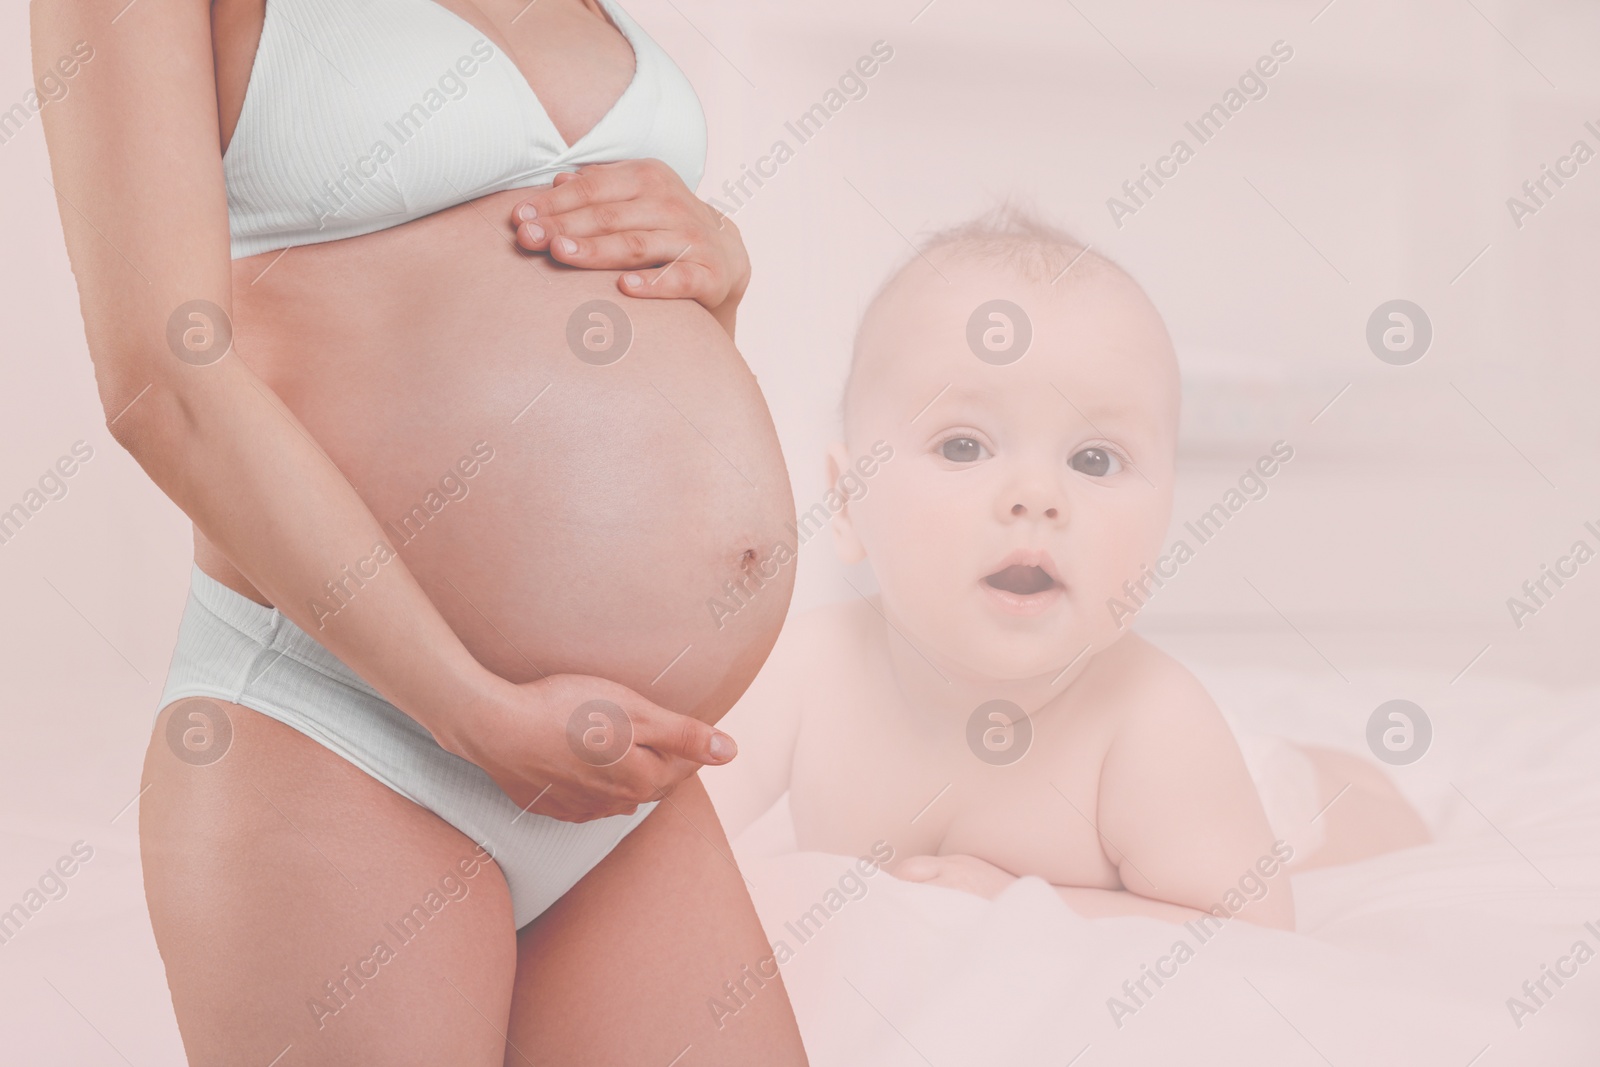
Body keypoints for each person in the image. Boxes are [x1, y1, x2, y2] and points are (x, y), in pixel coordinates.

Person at [34, 0, 809, 1062]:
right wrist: (468, 707)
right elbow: (160, 380)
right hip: (345, 739)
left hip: (614, 772)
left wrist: (714, 282)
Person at [705, 207, 1431, 929]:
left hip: (1240, 793)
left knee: (1354, 805)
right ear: (847, 502)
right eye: (964, 446)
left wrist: (1022, 901)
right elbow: (670, 825)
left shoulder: (1151, 721)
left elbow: (1250, 921)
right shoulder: (805, 669)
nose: (1037, 496)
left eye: (1094, 459)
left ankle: (1356, 779)